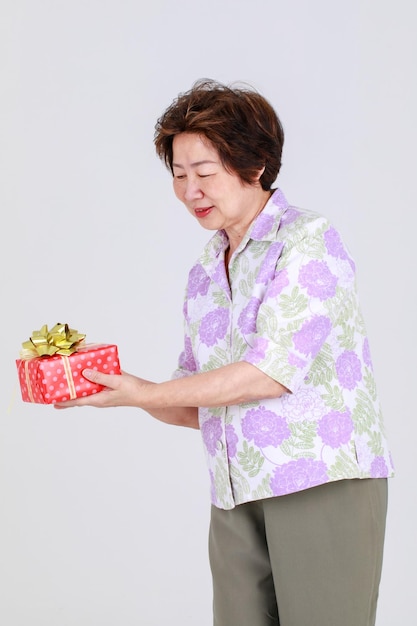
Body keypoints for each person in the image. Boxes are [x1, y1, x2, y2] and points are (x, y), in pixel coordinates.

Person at [55, 79, 394, 626]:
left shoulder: (307, 239)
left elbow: (270, 374)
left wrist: (148, 391)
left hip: (320, 481)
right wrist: (113, 384)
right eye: (179, 174)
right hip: (235, 492)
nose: (191, 190)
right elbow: (192, 403)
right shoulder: (206, 271)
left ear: (256, 165)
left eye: (204, 173)